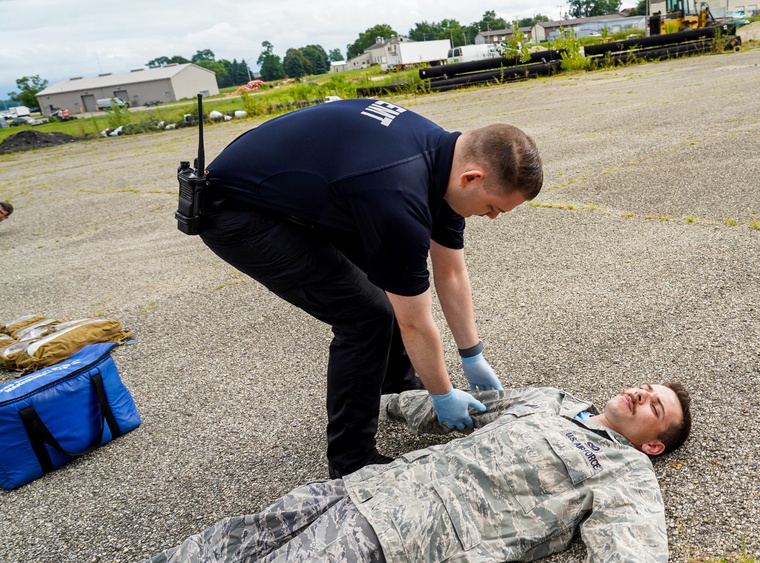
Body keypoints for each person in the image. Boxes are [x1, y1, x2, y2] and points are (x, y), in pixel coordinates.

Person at [199, 99, 543, 478]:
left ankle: (396, 390)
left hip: (302, 192)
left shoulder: (444, 160)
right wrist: (443, 394)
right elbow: (414, 321)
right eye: (494, 207)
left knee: (389, 285)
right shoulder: (399, 195)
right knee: (367, 318)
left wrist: (471, 354)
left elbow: (451, 273)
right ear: (472, 178)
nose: (492, 217)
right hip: (236, 209)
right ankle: (352, 461)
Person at [148, 381, 692, 562]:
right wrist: (380, 402)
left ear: (653, 447)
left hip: (407, 534)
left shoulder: (623, 471)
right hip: (368, 485)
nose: (643, 395)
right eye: (647, 388)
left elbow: (632, 547)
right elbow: (464, 405)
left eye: (655, 409)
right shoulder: (550, 398)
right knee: (239, 534)